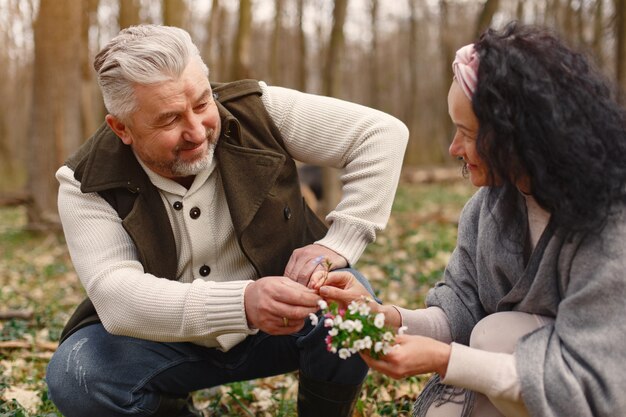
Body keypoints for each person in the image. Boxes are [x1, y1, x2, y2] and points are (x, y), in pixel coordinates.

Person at [45, 24, 408, 417]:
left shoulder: (259, 111)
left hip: (286, 320)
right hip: (164, 341)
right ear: (122, 128)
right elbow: (117, 296)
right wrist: (243, 303)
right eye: (169, 120)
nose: (197, 131)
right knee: (78, 375)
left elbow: (381, 134)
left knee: (350, 309)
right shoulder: (87, 182)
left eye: (202, 103)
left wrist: (338, 242)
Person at [311, 22, 626, 417]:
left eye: (466, 132)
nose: (452, 148)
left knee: (495, 337)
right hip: (537, 376)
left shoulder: (609, 222)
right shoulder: (489, 208)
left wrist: (446, 361)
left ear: (520, 136)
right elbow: (462, 306)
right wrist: (387, 318)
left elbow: (595, 386)